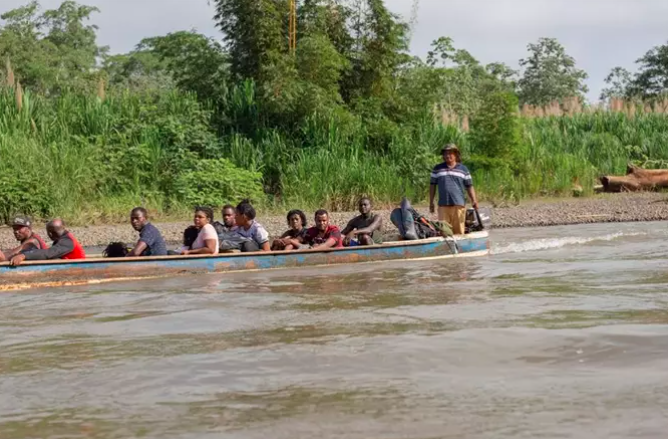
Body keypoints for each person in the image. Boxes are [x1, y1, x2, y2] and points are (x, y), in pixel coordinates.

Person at [429, 144, 479, 235]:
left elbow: (469, 186)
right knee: (444, 233)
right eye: (445, 154)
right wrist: (431, 202)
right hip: (443, 206)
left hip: (458, 205)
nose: (447, 156)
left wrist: (474, 200)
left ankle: (460, 248)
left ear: (456, 155)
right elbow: (432, 185)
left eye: (450, 153)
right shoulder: (437, 169)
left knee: (459, 232)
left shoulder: (463, 169)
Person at [10, 218, 85, 265]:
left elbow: (48, 253)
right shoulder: (62, 239)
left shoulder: (67, 241)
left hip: (79, 268)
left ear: (50, 233)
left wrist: (24, 256)